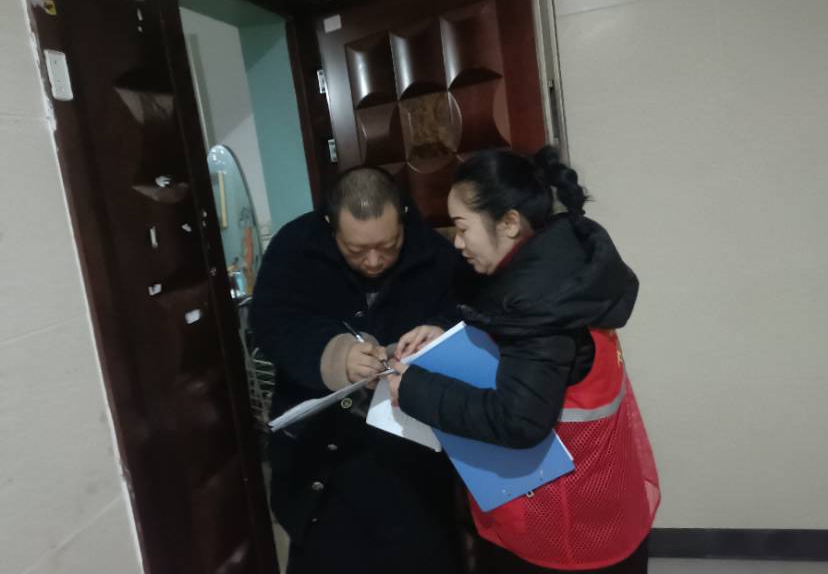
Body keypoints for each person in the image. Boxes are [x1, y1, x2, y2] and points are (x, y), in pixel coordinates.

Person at [386, 146, 660, 573]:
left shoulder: (538, 305)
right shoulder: (563, 265)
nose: (457, 243)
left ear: (509, 223)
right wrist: (445, 336)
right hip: (606, 500)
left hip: (566, 530)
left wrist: (414, 389)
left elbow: (519, 420)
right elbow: (516, 348)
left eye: (463, 227)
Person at [250, 167, 468, 574]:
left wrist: (438, 334)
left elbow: (466, 315)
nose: (373, 261)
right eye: (356, 250)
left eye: (388, 246)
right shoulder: (294, 249)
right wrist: (333, 355)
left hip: (409, 456)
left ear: (403, 219)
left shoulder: (436, 254)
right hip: (323, 458)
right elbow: (269, 323)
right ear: (330, 226)